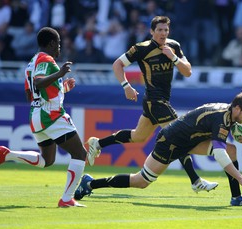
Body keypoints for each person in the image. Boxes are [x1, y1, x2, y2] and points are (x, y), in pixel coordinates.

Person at [85, 16, 218, 193]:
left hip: (161, 101)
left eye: (166, 30)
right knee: (178, 136)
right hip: (154, 100)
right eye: (160, 30)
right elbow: (117, 64)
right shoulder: (141, 49)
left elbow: (188, 72)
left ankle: (98, 143)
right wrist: (126, 86)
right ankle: (196, 181)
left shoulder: (174, 46)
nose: (163, 33)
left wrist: (174, 59)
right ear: (152, 31)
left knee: (138, 136)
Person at [75, 90, 242, 207]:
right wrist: (241, 178)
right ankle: (90, 183)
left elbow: (229, 145)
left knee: (232, 150)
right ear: (237, 108)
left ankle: (237, 198)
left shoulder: (229, 113)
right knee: (141, 181)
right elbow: (220, 156)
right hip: (170, 142)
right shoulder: (221, 118)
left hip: (189, 142)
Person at [0, 27, 87, 207]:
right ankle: (66, 199)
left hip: (36, 115)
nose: (59, 48)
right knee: (80, 154)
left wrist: (63, 88)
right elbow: (39, 83)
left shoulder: (31, 63)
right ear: (51, 43)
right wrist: (60, 73)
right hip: (51, 115)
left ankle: (7, 155)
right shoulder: (45, 59)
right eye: (59, 44)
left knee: (47, 161)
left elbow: (30, 94)